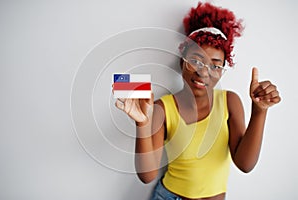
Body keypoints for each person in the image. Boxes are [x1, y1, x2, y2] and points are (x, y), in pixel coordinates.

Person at [115, 2, 281, 200]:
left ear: (222, 71)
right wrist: (142, 123)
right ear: (182, 62)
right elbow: (147, 175)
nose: (203, 72)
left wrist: (260, 111)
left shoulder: (230, 102)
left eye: (215, 66)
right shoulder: (163, 107)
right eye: (195, 61)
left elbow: (245, 164)